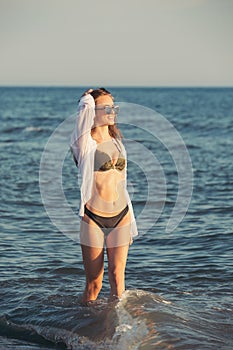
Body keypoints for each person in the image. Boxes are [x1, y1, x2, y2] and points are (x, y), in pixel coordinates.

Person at [70, 88, 138, 304]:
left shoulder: (116, 139)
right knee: (94, 284)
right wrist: (87, 97)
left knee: (118, 278)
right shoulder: (84, 143)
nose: (112, 111)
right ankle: (84, 326)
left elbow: (121, 180)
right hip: (94, 218)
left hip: (122, 215)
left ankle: (117, 330)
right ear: (92, 111)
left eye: (113, 107)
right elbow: (82, 115)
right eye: (106, 107)